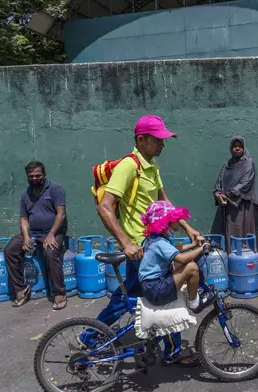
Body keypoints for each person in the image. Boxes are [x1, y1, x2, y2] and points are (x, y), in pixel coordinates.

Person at [83, 114, 202, 367]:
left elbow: (164, 202)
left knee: (128, 295)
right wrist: (126, 243)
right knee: (167, 293)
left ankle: (89, 335)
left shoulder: (152, 166)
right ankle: (172, 350)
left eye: (163, 139)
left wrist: (187, 227)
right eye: (157, 139)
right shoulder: (129, 166)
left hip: (149, 245)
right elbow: (105, 207)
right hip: (142, 247)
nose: (162, 144)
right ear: (141, 139)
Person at [4, 162, 68, 309]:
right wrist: (26, 237)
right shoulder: (25, 195)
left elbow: (61, 214)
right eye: (31, 176)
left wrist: (52, 234)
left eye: (38, 175)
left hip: (53, 231)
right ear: (27, 177)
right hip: (33, 233)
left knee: (51, 253)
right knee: (10, 250)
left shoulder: (55, 189)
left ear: (44, 175)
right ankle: (21, 289)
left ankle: (59, 292)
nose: (34, 179)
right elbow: (24, 218)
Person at [138, 201, 215, 312]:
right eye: (176, 219)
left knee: (183, 262)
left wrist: (193, 245)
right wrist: (202, 248)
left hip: (152, 286)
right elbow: (182, 258)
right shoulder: (159, 242)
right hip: (155, 289)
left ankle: (196, 290)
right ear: (167, 222)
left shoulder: (155, 238)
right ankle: (194, 304)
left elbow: (174, 251)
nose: (179, 222)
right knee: (191, 267)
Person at [212, 136, 258, 251]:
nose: (237, 148)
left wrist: (228, 194)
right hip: (229, 205)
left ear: (244, 148)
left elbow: (246, 182)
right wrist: (217, 193)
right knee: (230, 232)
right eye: (235, 146)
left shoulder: (249, 163)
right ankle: (232, 258)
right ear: (231, 148)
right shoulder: (226, 165)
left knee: (244, 232)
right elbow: (219, 182)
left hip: (244, 206)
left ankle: (247, 262)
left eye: (240, 146)